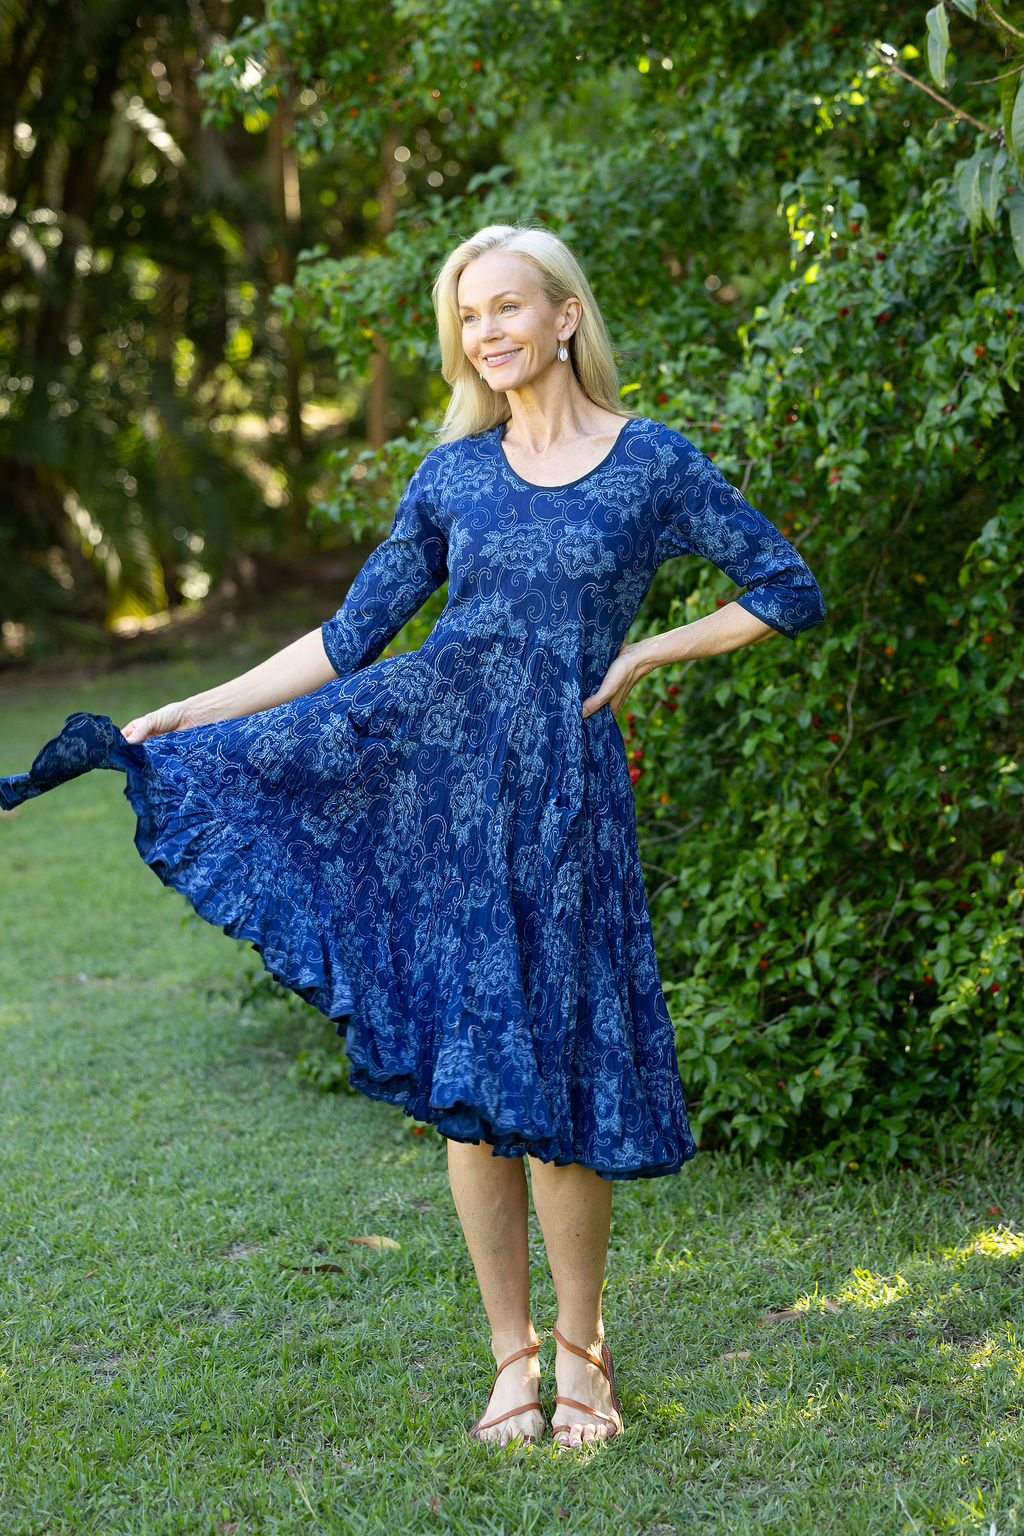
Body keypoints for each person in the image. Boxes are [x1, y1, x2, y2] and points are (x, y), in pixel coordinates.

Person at [0, 222, 826, 1451]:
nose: (487, 333)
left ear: (563, 317)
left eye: (507, 307)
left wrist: (650, 649)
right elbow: (349, 638)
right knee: (472, 1093)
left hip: (564, 799)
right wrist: (197, 706)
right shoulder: (452, 478)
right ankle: (509, 1362)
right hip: (438, 792)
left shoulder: (650, 462)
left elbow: (785, 587)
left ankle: (585, 1359)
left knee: (555, 1073)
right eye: (467, 316)